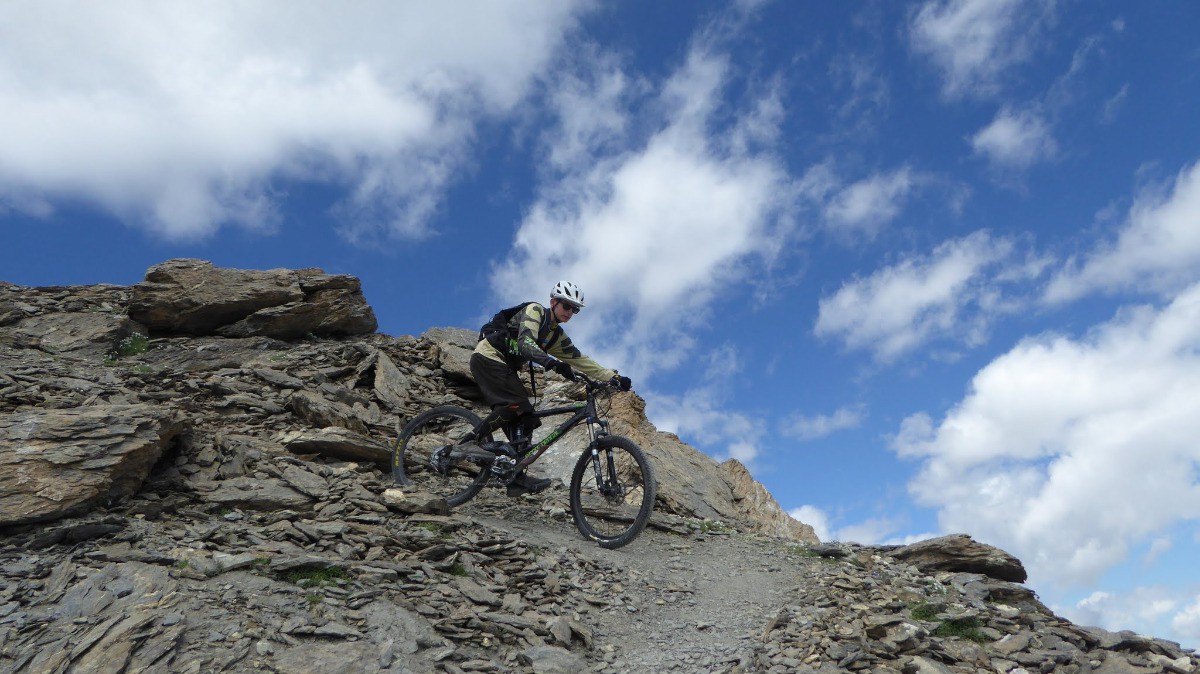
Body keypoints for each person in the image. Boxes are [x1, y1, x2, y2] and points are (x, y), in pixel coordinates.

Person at [470, 281, 632, 496]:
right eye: (567, 306)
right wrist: (551, 362)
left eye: (575, 309)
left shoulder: (556, 336)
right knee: (515, 404)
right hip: (488, 357)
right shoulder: (535, 311)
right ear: (553, 302)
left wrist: (614, 377)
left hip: (505, 367)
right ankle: (471, 442)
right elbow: (525, 342)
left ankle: (515, 476)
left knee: (527, 418)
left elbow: (580, 360)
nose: (570, 312)